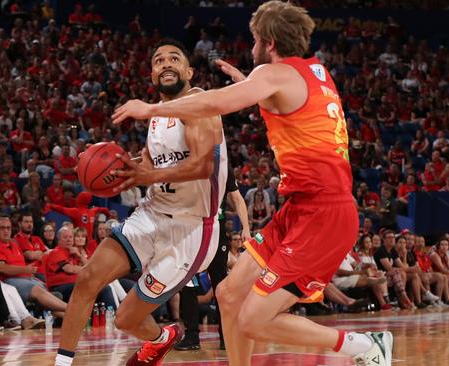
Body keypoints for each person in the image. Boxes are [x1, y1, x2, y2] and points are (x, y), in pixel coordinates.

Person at [112, 2, 391, 365]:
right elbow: (291, 105)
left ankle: (366, 346)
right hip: (300, 208)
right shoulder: (315, 71)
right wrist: (251, 83)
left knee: (254, 318)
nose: (253, 45)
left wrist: (150, 109)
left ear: (270, 42)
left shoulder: (272, 74)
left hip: (323, 213)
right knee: (229, 295)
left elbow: (216, 103)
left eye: (255, 38)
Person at [55, 38, 228, 366]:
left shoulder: (199, 103)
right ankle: (62, 363)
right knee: (88, 278)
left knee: (125, 320)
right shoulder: (157, 119)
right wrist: (119, 168)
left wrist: (147, 176)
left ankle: (163, 337)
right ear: (152, 75)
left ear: (189, 71)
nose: (166, 63)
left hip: (193, 228)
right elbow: (150, 166)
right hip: (153, 212)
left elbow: (203, 166)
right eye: (159, 60)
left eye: (174, 58)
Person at [176, 164, 250, 351]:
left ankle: (227, 336)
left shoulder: (223, 166)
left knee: (221, 286)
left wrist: (246, 228)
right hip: (191, 232)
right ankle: (191, 336)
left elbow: (237, 198)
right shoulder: (187, 163)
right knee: (187, 285)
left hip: (216, 233)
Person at [0, 216, 67, 316]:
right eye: (2, 228)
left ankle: (75, 318)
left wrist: (28, 273)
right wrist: (25, 270)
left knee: (50, 294)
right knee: (38, 290)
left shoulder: (14, 244)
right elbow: (1, 268)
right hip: (9, 280)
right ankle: (71, 308)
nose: (6, 231)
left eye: (8, 228)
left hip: (26, 278)